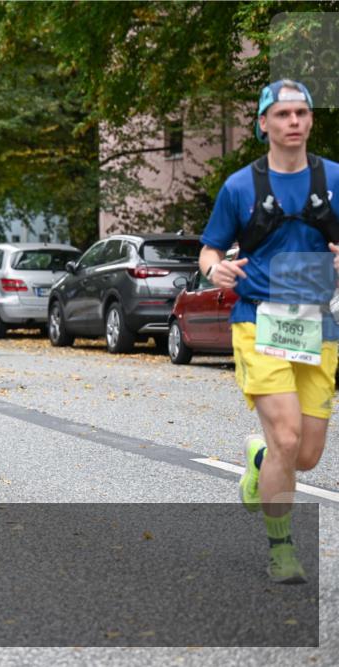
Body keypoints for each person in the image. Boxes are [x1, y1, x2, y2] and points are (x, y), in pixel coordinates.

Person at [199, 79, 339, 584]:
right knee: (285, 434)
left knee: (306, 454)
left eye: (301, 112)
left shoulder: (335, 178)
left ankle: (259, 458)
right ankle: (282, 549)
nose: (293, 121)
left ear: (311, 120)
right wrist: (214, 269)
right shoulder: (240, 187)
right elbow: (210, 249)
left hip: (318, 323)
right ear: (264, 123)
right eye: (282, 114)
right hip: (259, 320)